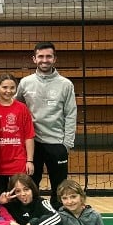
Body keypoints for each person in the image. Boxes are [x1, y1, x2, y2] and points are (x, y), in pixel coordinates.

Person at [16, 42, 77, 208]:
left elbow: (71, 114)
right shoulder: (25, 83)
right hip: (32, 144)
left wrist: (66, 144)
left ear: (54, 59)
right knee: (30, 185)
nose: (44, 60)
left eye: (48, 56)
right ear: (34, 59)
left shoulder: (66, 84)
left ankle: (59, 216)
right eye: (41, 56)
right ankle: (31, 214)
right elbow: (13, 106)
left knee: (60, 187)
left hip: (57, 143)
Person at [0, 74, 35, 194]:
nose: (8, 91)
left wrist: (29, 161)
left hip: (18, 161)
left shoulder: (22, 108)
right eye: (4, 87)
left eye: (12, 88)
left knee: (20, 196)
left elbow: (29, 136)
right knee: (0, 198)